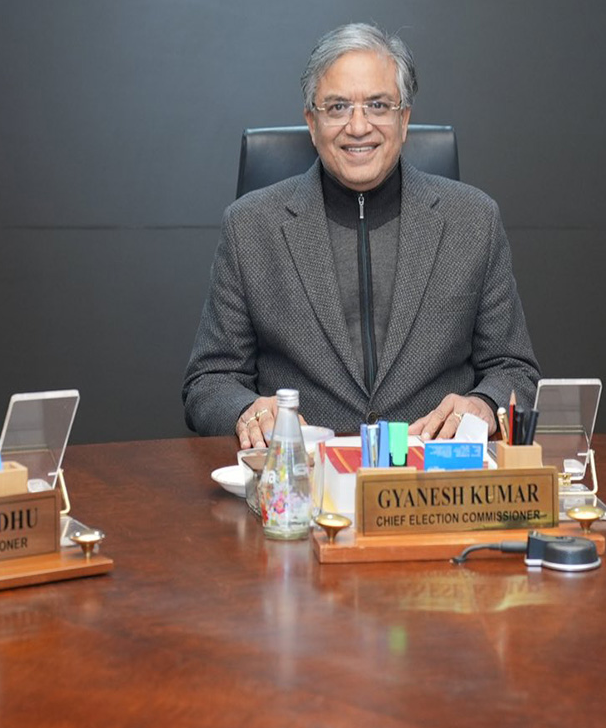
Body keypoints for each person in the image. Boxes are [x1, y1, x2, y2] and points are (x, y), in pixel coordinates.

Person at [183, 22, 540, 449]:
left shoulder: (473, 220)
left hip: (429, 486)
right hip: (303, 485)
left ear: (404, 119)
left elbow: (515, 370)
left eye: (378, 105)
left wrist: (485, 404)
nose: (357, 126)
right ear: (311, 123)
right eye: (337, 107)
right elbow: (209, 383)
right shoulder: (250, 227)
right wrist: (248, 411)